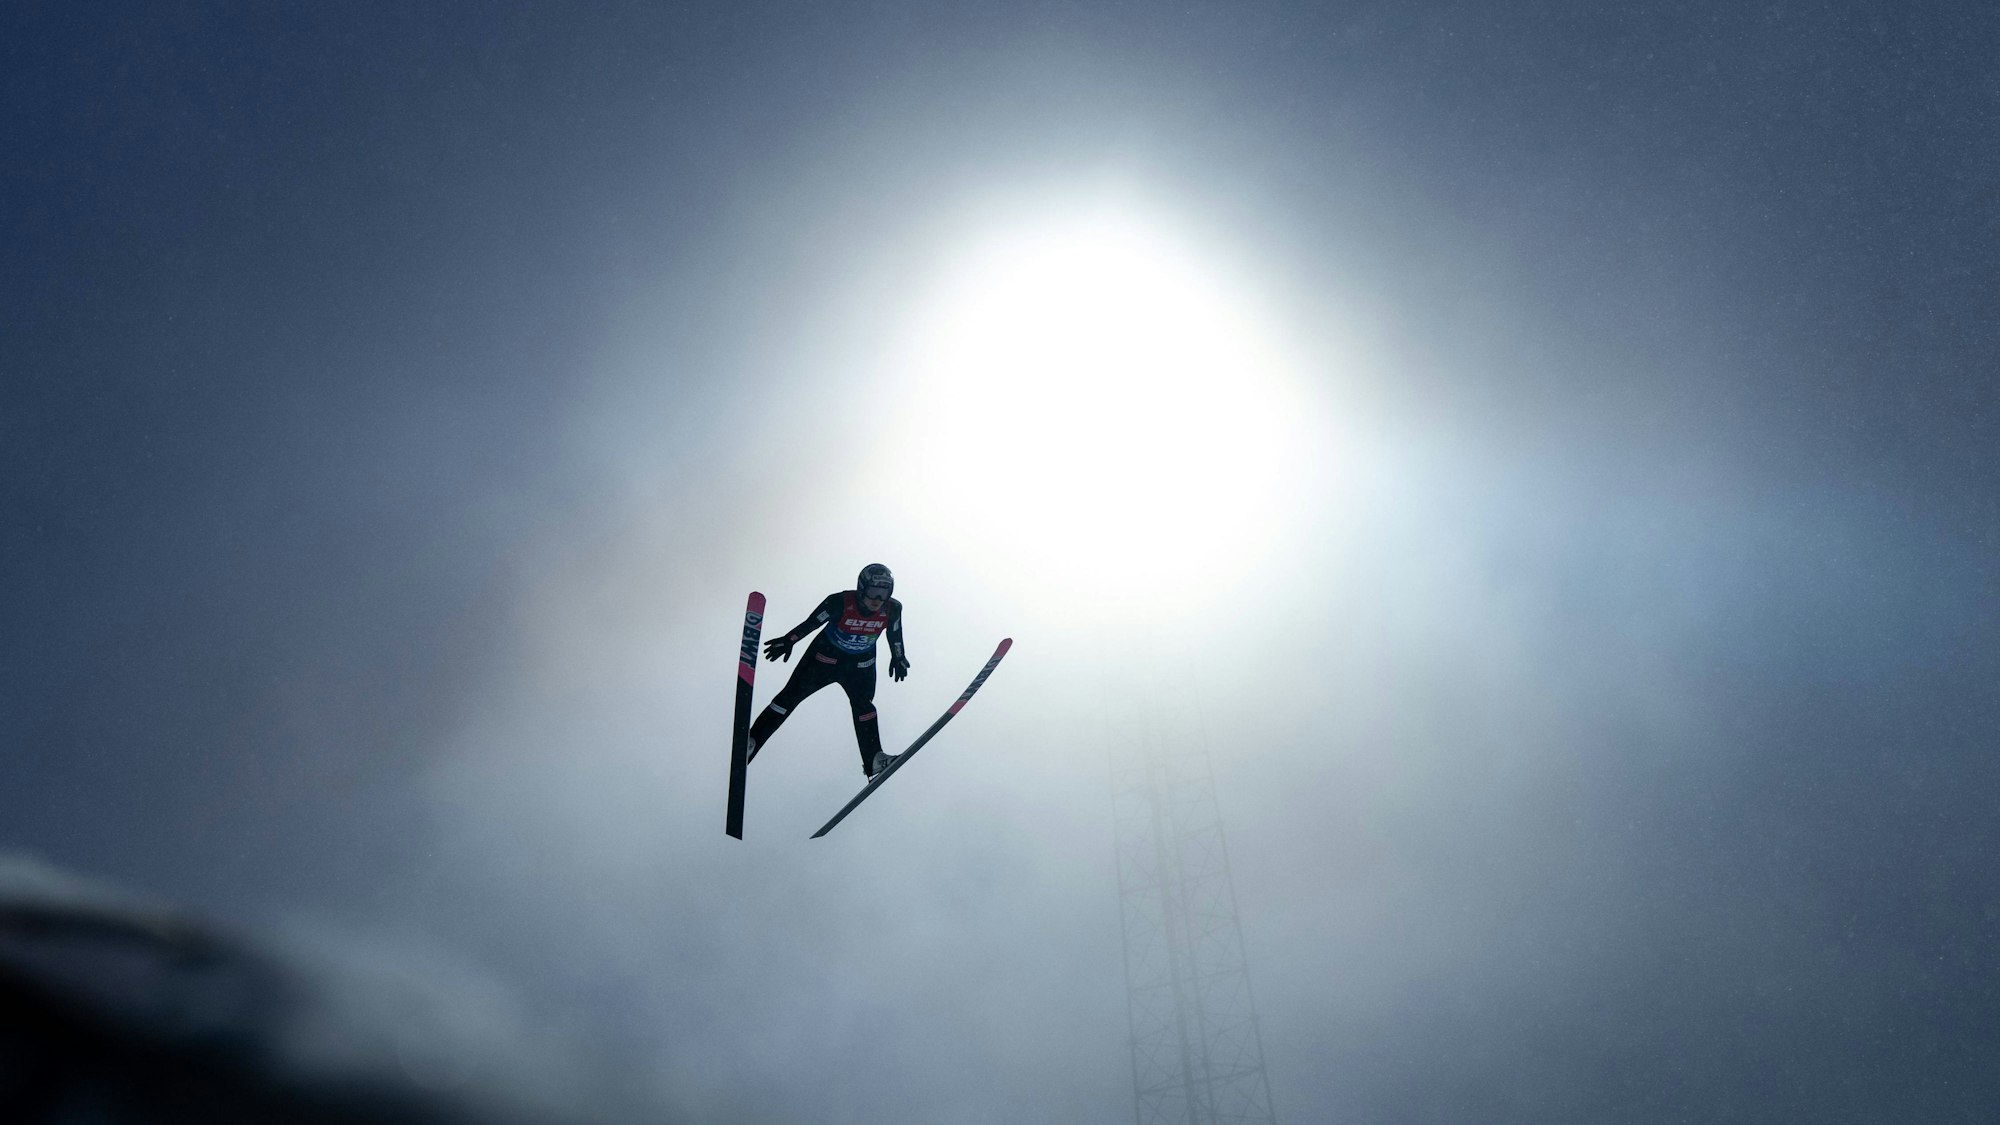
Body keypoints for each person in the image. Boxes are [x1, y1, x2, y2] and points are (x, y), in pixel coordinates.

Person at [747, 563, 911, 779]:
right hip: (824, 658)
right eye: (873, 592)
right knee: (789, 697)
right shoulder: (839, 602)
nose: (877, 600)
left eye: (884, 593)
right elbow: (812, 623)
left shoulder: (892, 609)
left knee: (864, 705)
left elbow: (895, 633)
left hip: (860, 666)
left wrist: (898, 657)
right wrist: (790, 640)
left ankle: (874, 759)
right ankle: (752, 741)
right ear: (862, 588)